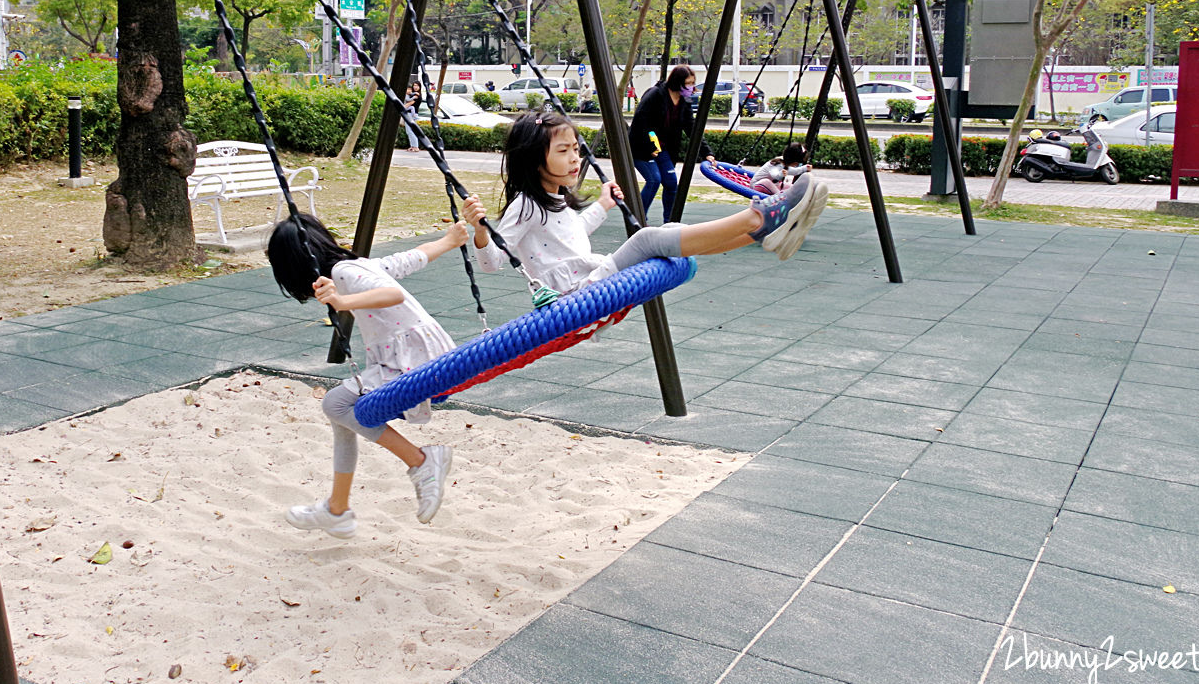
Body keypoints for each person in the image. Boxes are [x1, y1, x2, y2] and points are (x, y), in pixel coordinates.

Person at [267, 212, 475, 538]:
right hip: (415, 355)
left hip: (416, 360)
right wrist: (448, 242)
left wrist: (342, 300)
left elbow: (393, 294)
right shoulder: (360, 264)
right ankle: (336, 510)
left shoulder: (343, 272)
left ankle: (421, 460)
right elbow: (411, 259)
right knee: (340, 413)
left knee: (335, 405)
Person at [464, 112, 828, 298]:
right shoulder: (526, 205)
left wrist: (603, 206)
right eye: (563, 151)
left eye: (576, 149)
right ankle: (758, 213)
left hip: (589, 281)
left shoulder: (552, 202)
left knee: (669, 231)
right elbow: (494, 262)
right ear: (532, 159)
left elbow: (571, 232)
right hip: (573, 297)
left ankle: (764, 232)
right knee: (646, 240)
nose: (575, 159)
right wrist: (480, 231)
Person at [628, 65, 713, 224]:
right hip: (642, 147)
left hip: (663, 149)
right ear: (676, 82)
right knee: (654, 180)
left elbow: (691, 127)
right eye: (688, 83)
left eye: (692, 83)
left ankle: (670, 222)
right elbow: (641, 122)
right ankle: (638, 218)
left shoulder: (684, 100)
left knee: (671, 183)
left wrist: (706, 152)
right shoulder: (656, 95)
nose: (691, 88)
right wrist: (650, 147)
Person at [402, 80, 424, 152]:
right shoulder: (412, 94)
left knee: (410, 130)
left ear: (420, 87)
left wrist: (402, 107)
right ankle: (412, 146)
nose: (415, 87)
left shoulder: (417, 95)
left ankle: (415, 146)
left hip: (411, 114)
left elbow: (410, 103)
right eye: (414, 85)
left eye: (417, 86)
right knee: (409, 131)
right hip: (409, 113)